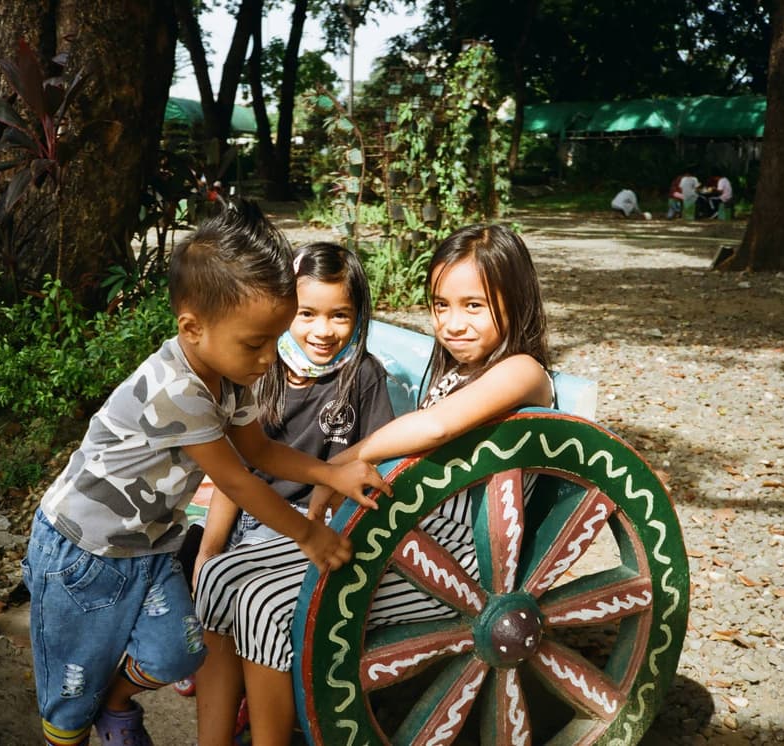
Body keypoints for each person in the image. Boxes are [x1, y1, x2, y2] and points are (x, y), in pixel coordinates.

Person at [21, 200, 389, 746]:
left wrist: (330, 475)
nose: (269, 359)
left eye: (273, 338)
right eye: (255, 342)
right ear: (192, 327)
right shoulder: (178, 391)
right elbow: (239, 481)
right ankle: (84, 721)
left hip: (147, 548)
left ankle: (114, 703)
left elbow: (260, 452)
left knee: (180, 652)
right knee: (70, 693)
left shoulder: (230, 375)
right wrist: (310, 535)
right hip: (83, 554)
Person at [194, 223, 554, 746]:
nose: (452, 324)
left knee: (265, 602)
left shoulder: (523, 371)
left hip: (461, 562)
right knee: (221, 576)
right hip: (406, 528)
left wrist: (348, 459)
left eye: (473, 306)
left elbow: (436, 427)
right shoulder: (456, 369)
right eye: (441, 305)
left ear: (515, 300)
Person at [172, 241, 395, 702]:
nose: (323, 331)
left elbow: (376, 455)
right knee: (196, 561)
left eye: (340, 315)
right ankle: (218, 670)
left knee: (242, 587)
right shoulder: (261, 367)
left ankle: (245, 693)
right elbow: (239, 472)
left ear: (357, 317)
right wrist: (208, 551)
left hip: (314, 520)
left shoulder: (361, 375)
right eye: (307, 314)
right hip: (253, 510)